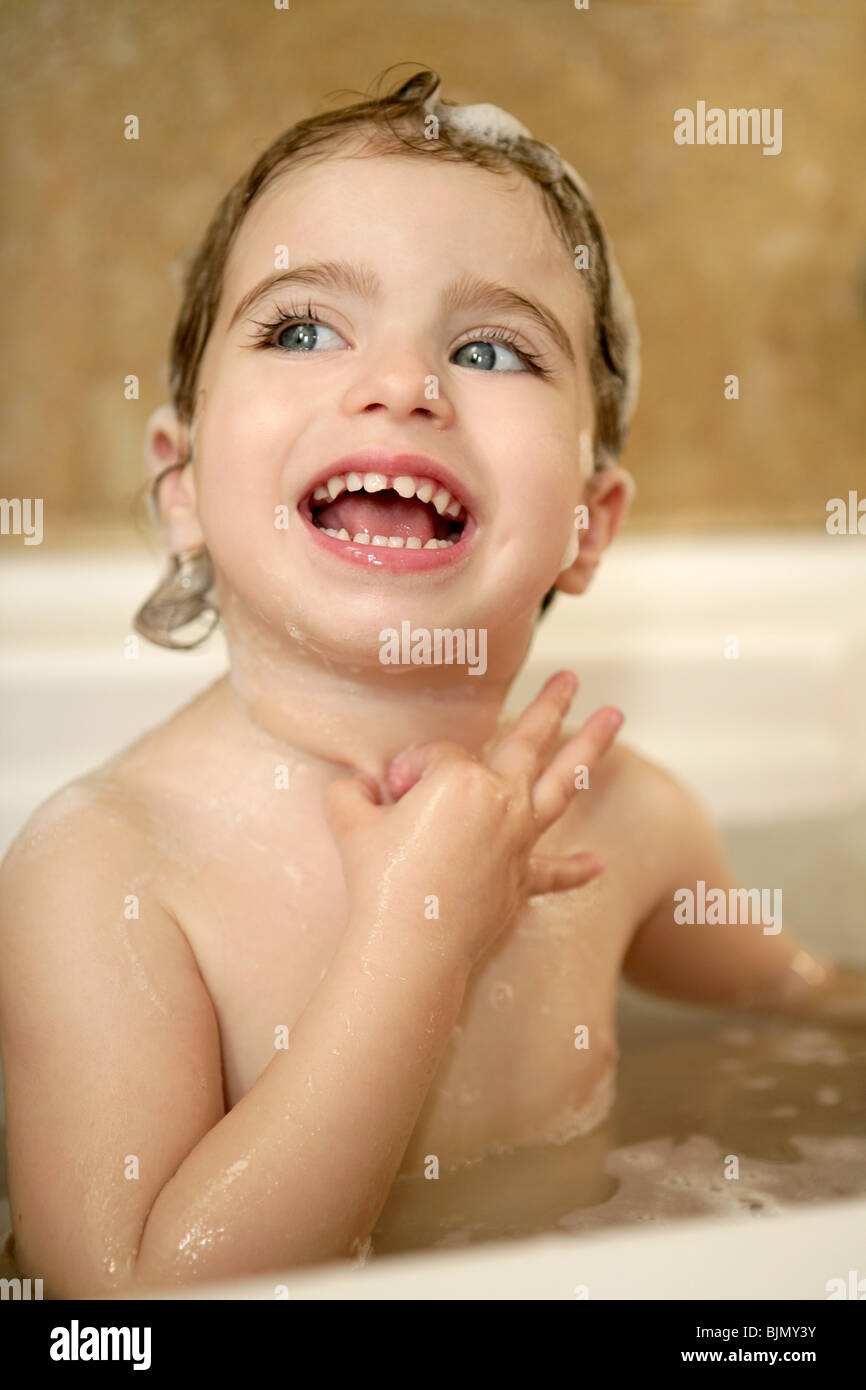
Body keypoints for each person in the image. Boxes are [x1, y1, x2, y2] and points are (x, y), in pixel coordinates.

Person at [1, 67, 863, 1298]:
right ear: (181, 482)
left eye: (489, 347)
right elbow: (123, 1313)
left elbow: (800, 1002)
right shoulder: (105, 873)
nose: (402, 383)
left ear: (587, 521)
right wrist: (422, 931)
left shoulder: (625, 820)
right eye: (301, 329)